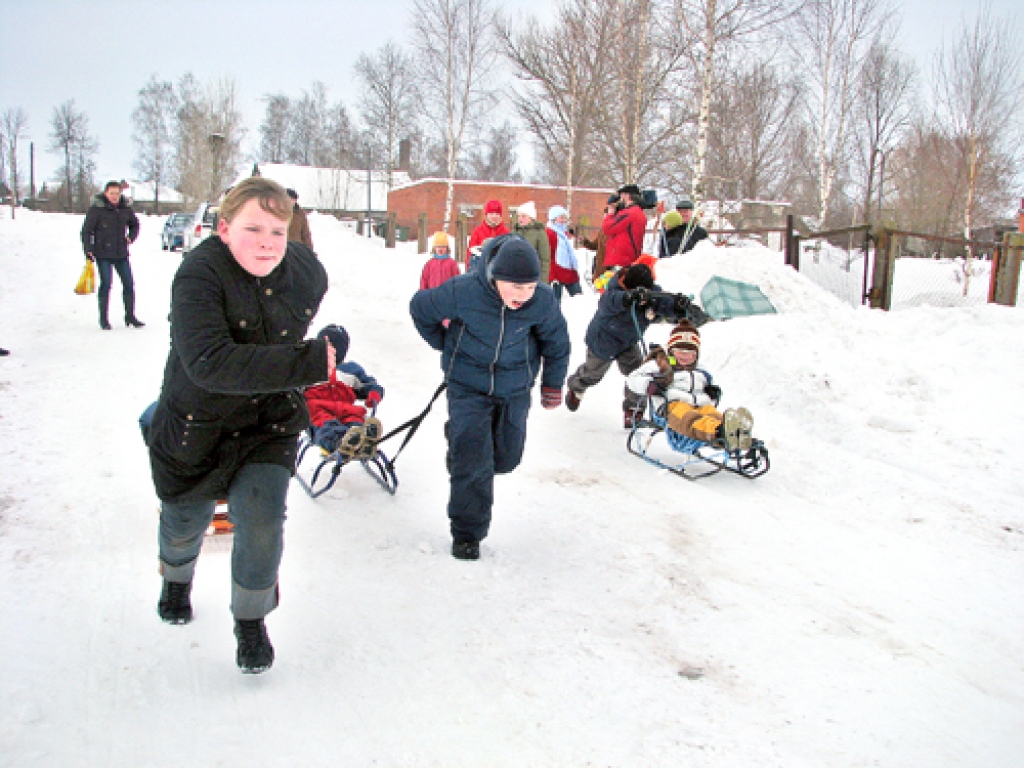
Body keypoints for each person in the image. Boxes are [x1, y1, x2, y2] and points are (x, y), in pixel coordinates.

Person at [147, 177, 332, 674]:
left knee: (263, 519)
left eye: (278, 228)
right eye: (254, 228)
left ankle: (250, 622)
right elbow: (209, 362)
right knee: (186, 522)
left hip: (265, 423)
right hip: (196, 424)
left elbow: (299, 318)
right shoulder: (199, 275)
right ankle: (177, 578)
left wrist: (325, 344)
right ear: (224, 228)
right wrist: (311, 360)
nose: (269, 241)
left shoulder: (306, 272)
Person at [410, 234, 571, 561]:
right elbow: (420, 308)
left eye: (529, 287)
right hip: (467, 387)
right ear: (495, 277)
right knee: (473, 461)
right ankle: (467, 534)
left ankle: (460, 444)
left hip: (514, 388)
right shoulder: (464, 290)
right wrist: (445, 343)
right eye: (515, 287)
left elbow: (557, 343)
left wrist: (552, 385)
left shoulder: (541, 300)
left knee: (506, 459)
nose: (523, 296)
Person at [565, 263, 703, 429]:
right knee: (593, 373)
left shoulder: (651, 294)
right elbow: (609, 302)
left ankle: (633, 409)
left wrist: (677, 307)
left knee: (638, 374)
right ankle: (576, 388)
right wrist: (628, 298)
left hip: (628, 342)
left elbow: (663, 304)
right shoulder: (614, 292)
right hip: (604, 340)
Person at [625, 320, 753, 450]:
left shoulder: (701, 369)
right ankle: (719, 432)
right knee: (689, 418)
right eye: (680, 351)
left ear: (696, 354)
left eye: (690, 353)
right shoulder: (660, 364)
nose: (685, 356)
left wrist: (711, 391)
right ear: (671, 350)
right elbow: (632, 379)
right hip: (670, 406)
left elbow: (709, 385)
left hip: (700, 404)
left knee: (711, 412)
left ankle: (733, 431)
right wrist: (649, 385)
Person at [303, 324, 385, 458]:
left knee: (355, 422)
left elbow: (369, 384)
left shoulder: (351, 370)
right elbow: (292, 387)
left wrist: (374, 393)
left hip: (347, 409)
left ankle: (363, 442)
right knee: (326, 426)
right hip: (318, 409)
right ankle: (340, 443)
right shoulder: (310, 368)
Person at [81, 180, 143, 330]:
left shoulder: (124, 208)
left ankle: (130, 316)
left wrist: (131, 237)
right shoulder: (97, 209)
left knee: (129, 284)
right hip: (103, 253)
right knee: (106, 284)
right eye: (112, 193)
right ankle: (104, 319)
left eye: (117, 193)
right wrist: (88, 249)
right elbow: (86, 231)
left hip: (121, 252)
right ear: (105, 193)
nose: (115, 196)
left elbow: (135, 224)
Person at [600, 184, 648, 270]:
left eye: (622, 195)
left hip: (621, 260)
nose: (620, 199)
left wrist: (610, 214)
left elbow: (607, 228)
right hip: (630, 257)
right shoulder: (638, 212)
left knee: (614, 282)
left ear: (628, 196)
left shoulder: (629, 213)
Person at [546, 205, 581, 302]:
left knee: (579, 298)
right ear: (553, 219)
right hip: (556, 271)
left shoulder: (564, 234)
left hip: (569, 270)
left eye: (564, 217)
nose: (563, 220)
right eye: (561, 217)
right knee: (555, 302)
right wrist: (551, 274)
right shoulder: (550, 233)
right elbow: (548, 254)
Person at [512, 201, 551, 285]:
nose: (520, 219)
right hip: (515, 277)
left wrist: (542, 282)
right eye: (519, 216)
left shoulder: (539, 232)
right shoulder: (514, 231)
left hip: (532, 277)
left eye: (523, 216)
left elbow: (544, 259)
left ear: (531, 217)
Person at [466, 199, 509, 270]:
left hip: (499, 271)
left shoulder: (506, 233)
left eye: (497, 213)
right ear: (486, 215)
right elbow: (470, 254)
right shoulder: (477, 232)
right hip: (480, 269)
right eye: (491, 213)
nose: (494, 216)